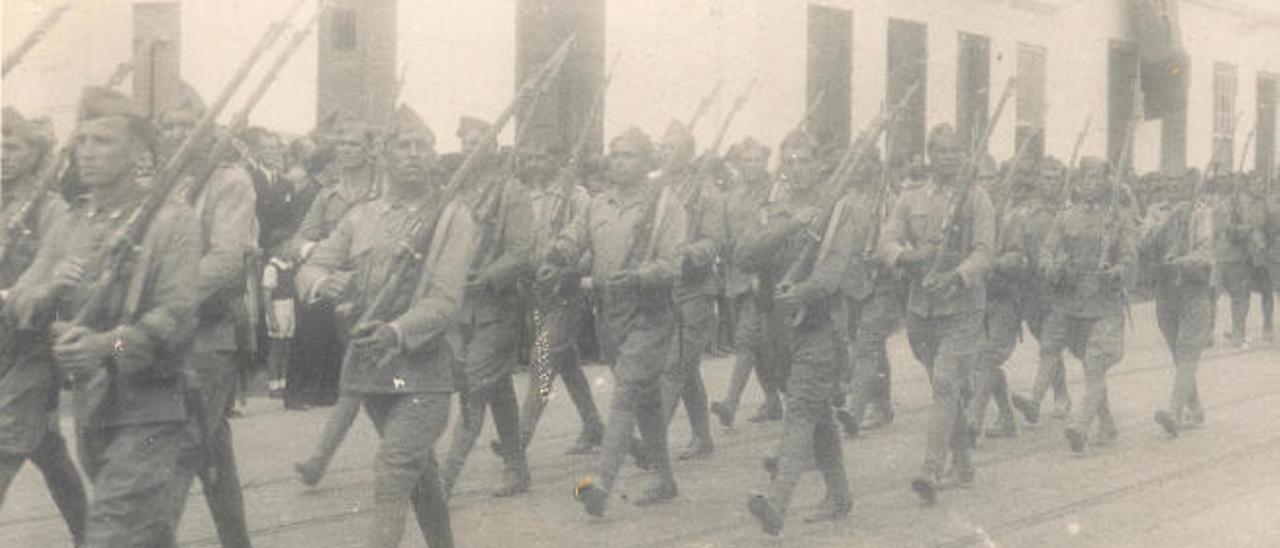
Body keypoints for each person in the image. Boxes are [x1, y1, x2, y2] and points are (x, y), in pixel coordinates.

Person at [5, 86, 201, 547]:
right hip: (94, 411)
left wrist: (105, 345)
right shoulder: (72, 224)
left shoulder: (171, 223)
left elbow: (174, 319)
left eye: (103, 142)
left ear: (136, 151)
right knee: (144, 534)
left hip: (154, 406)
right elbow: (21, 300)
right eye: (82, 142)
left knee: (110, 531)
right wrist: (52, 289)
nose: (87, 154)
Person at [296, 106, 470, 548]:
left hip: (425, 370)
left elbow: (445, 300)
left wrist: (395, 330)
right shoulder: (361, 216)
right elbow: (310, 266)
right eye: (403, 145)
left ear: (433, 156)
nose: (414, 154)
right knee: (420, 473)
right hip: (372, 371)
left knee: (393, 470)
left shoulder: (454, 217)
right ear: (384, 155)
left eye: (423, 146)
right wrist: (322, 281)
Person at [560, 127, 687, 517]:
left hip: (650, 313)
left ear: (648, 162)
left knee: (627, 392)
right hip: (609, 314)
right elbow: (573, 237)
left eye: (628, 155)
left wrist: (639, 275)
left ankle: (600, 482)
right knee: (645, 400)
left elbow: (673, 264)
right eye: (614, 154)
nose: (617, 162)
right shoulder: (597, 203)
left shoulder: (667, 206)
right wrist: (557, 254)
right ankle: (664, 479)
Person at [156, 91, 257, 548]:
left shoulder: (229, 181)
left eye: (187, 124)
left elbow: (226, 260)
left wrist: (167, 296)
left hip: (209, 338)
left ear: (207, 126)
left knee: (181, 446)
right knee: (213, 452)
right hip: (165, 338)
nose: (178, 134)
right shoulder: (165, 183)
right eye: (169, 126)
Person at [745, 129, 857, 535]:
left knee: (801, 413)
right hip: (779, 331)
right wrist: (789, 225)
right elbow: (744, 254)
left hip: (822, 326)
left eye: (805, 160)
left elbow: (833, 271)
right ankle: (840, 494)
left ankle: (777, 504)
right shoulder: (773, 209)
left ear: (820, 164)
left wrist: (803, 291)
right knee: (817, 414)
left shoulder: (840, 209)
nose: (798, 169)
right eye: (790, 162)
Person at [879, 124, 994, 503]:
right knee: (942, 386)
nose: (947, 157)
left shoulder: (977, 198)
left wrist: (957, 277)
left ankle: (932, 466)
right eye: (940, 151)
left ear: (963, 155)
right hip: (922, 308)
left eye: (953, 151)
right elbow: (887, 240)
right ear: (930, 154)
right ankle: (963, 461)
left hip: (962, 306)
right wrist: (908, 257)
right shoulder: (911, 198)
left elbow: (984, 252)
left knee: (946, 384)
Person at [0, 107, 87, 545]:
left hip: (31, 349)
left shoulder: (49, 209)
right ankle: (92, 535)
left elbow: (57, 276)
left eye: (12, 146)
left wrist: (15, 295)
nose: (2, 154)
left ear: (35, 154)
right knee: (47, 451)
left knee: (4, 445)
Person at [441, 116, 534, 498]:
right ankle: (517, 467)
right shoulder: (456, 190)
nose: (470, 148)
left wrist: (488, 275)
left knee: (474, 389)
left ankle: (444, 481)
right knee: (497, 391)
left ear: (494, 147)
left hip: (496, 306)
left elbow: (522, 251)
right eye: (466, 142)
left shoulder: (511, 192)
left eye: (478, 141)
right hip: (459, 308)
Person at [293, 115, 382, 484]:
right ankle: (405, 455)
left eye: (354, 145)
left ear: (371, 150)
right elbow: (299, 240)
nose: (346, 152)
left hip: (380, 288)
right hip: (341, 293)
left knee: (361, 376)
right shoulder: (326, 195)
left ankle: (320, 458)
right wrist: (324, 262)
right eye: (341, 145)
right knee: (364, 377)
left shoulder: (384, 190)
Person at [510, 141, 604, 455]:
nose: (535, 162)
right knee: (566, 363)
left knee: (543, 358)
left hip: (566, 291)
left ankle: (518, 441)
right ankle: (594, 426)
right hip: (535, 292)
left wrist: (567, 273)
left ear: (557, 159)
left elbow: (590, 244)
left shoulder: (575, 196)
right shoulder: (523, 196)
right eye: (530, 157)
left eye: (542, 155)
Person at [1037, 157, 1137, 453]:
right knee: (1091, 364)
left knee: (1095, 362)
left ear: (1107, 182)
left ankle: (1081, 424)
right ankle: (1106, 423)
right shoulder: (1066, 217)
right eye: (1086, 177)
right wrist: (1053, 268)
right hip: (1074, 305)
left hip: (1105, 303)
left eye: (1097, 177)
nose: (1090, 183)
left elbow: (1131, 256)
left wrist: (1118, 270)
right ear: (1078, 183)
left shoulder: (1119, 218)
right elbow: (1047, 252)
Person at [710, 136, 802, 428]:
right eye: (746, 160)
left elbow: (776, 234)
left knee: (750, 338)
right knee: (761, 344)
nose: (752, 166)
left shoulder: (776, 191)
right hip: (736, 274)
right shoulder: (732, 196)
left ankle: (730, 403)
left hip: (767, 274)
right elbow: (724, 235)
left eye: (758, 160)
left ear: (766, 162)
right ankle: (774, 401)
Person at [654, 121, 721, 460]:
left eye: (672, 148)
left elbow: (713, 239)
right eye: (663, 147)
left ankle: (651, 442)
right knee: (685, 368)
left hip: (694, 289)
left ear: (690, 153)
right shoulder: (654, 188)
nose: (665, 153)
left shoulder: (705, 190)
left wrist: (692, 252)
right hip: (663, 290)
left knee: (674, 367)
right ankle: (703, 437)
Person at [834, 148, 901, 439]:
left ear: (875, 165)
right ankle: (883, 403)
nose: (858, 168)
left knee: (866, 343)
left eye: (864, 162)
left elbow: (900, 239)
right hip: (852, 282)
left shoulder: (888, 198)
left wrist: (883, 255)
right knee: (870, 345)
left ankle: (856, 410)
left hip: (882, 281)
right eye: (854, 161)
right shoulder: (846, 199)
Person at [1141, 174, 1213, 436]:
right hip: (1165, 289)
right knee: (1176, 350)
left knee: (1187, 349)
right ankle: (1194, 404)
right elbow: (1145, 243)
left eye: (1180, 184)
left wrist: (1182, 261)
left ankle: (1174, 410)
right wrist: (1168, 222)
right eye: (1170, 184)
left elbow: (1205, 251)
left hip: (1194, 287)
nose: (1174, 188)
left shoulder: (1202, 213)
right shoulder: (1155, 212)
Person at [1010, 158, 1073, 425]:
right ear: (1038, 181)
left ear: (1063, 182)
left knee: (1050, 344)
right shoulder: (1027, 215)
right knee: (1049, 344)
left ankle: (1038, 398)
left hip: (1061, 289)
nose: (1051, 183)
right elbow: (1018, 246)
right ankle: (1062, 393)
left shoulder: (1071, 213)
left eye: (1056, 178)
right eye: (1046, 178)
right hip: (1034, 290)